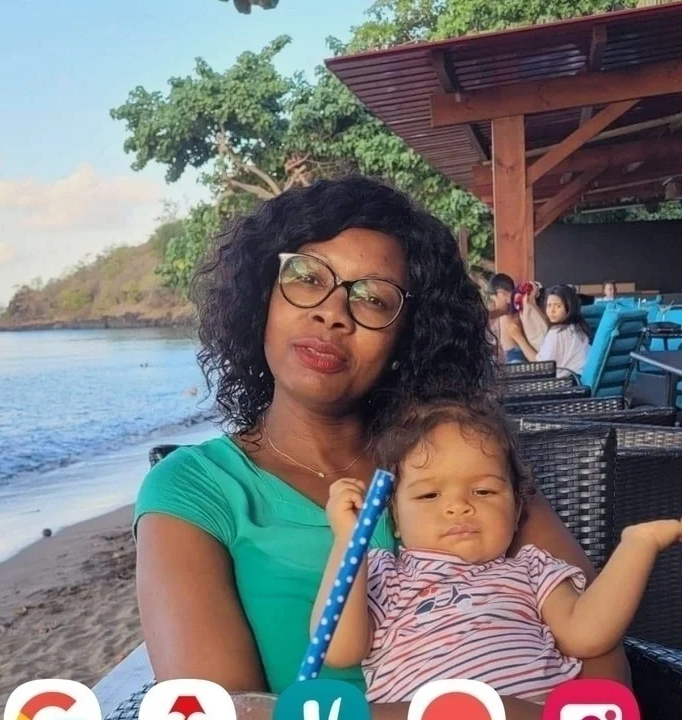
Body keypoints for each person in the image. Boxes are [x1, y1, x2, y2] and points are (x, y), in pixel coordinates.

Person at [134, 176, 629, 720]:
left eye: (373, 298)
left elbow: (600, 656)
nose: (332, 313)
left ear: (407, 336)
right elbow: (217, 711)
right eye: (307, 277)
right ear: (262, 299)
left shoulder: (464, 459)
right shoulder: (195, 490)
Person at [314, 401, 681, 705]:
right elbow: (339, 648)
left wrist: (637, 546)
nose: (458, 506)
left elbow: (586, 634)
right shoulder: (384, 574)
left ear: (517, 509)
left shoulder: (532, 568)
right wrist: (348, 542)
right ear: (394, 518)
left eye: (484, 491)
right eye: (429, 495)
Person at [508, 285, 591, 377]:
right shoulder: (577, 327)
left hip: (566, 382)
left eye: (558, 306)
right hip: (578, 377)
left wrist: (519, 338)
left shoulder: (557, 333)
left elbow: (541, 366)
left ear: (569, 307)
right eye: (549, 305)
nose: (552, 311)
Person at [488, 273, 524, 363]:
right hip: (511, 355)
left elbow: (492, 314)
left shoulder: (510, 305)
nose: (495, 304)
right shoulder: (513, 303)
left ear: (501, 293)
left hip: (515, 357)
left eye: (495, 300)